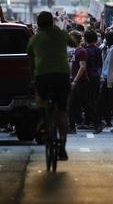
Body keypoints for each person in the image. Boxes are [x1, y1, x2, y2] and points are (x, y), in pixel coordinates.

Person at [26, 11, 74, 160]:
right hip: (62, 75)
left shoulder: (35, 38)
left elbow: (30, 60)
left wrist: (32, 78)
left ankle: (42, 119)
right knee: (62, 110)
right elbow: (75, 43)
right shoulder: (61, 34)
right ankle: (63, 146)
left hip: (43, 76)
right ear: (52, 22)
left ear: (39, 24)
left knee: (40, 96)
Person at [72, 29, 103, 133]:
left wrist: (76, 79)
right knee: (89, 101)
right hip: (95, 77)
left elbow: (83, 66)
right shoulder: (97, 49)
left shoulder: (84, 50)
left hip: (86, 78)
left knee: (86, 102)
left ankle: (94, 122)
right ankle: (80, 123)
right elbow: (99, 64)